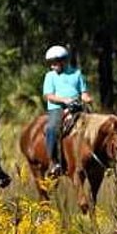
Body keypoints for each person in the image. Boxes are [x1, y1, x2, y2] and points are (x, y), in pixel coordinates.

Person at [42, 45, 93, 177]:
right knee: (52, 129)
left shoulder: (77, 74)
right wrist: (64, 100)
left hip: (77, 106)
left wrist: (87, 99)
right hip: (57, 108)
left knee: (95, 126)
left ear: (63, 61)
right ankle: (54, 162)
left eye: (54, 63)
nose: (52, 66)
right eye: (51, 64)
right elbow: (48, 96)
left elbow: (84, 93)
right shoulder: (50, 76)